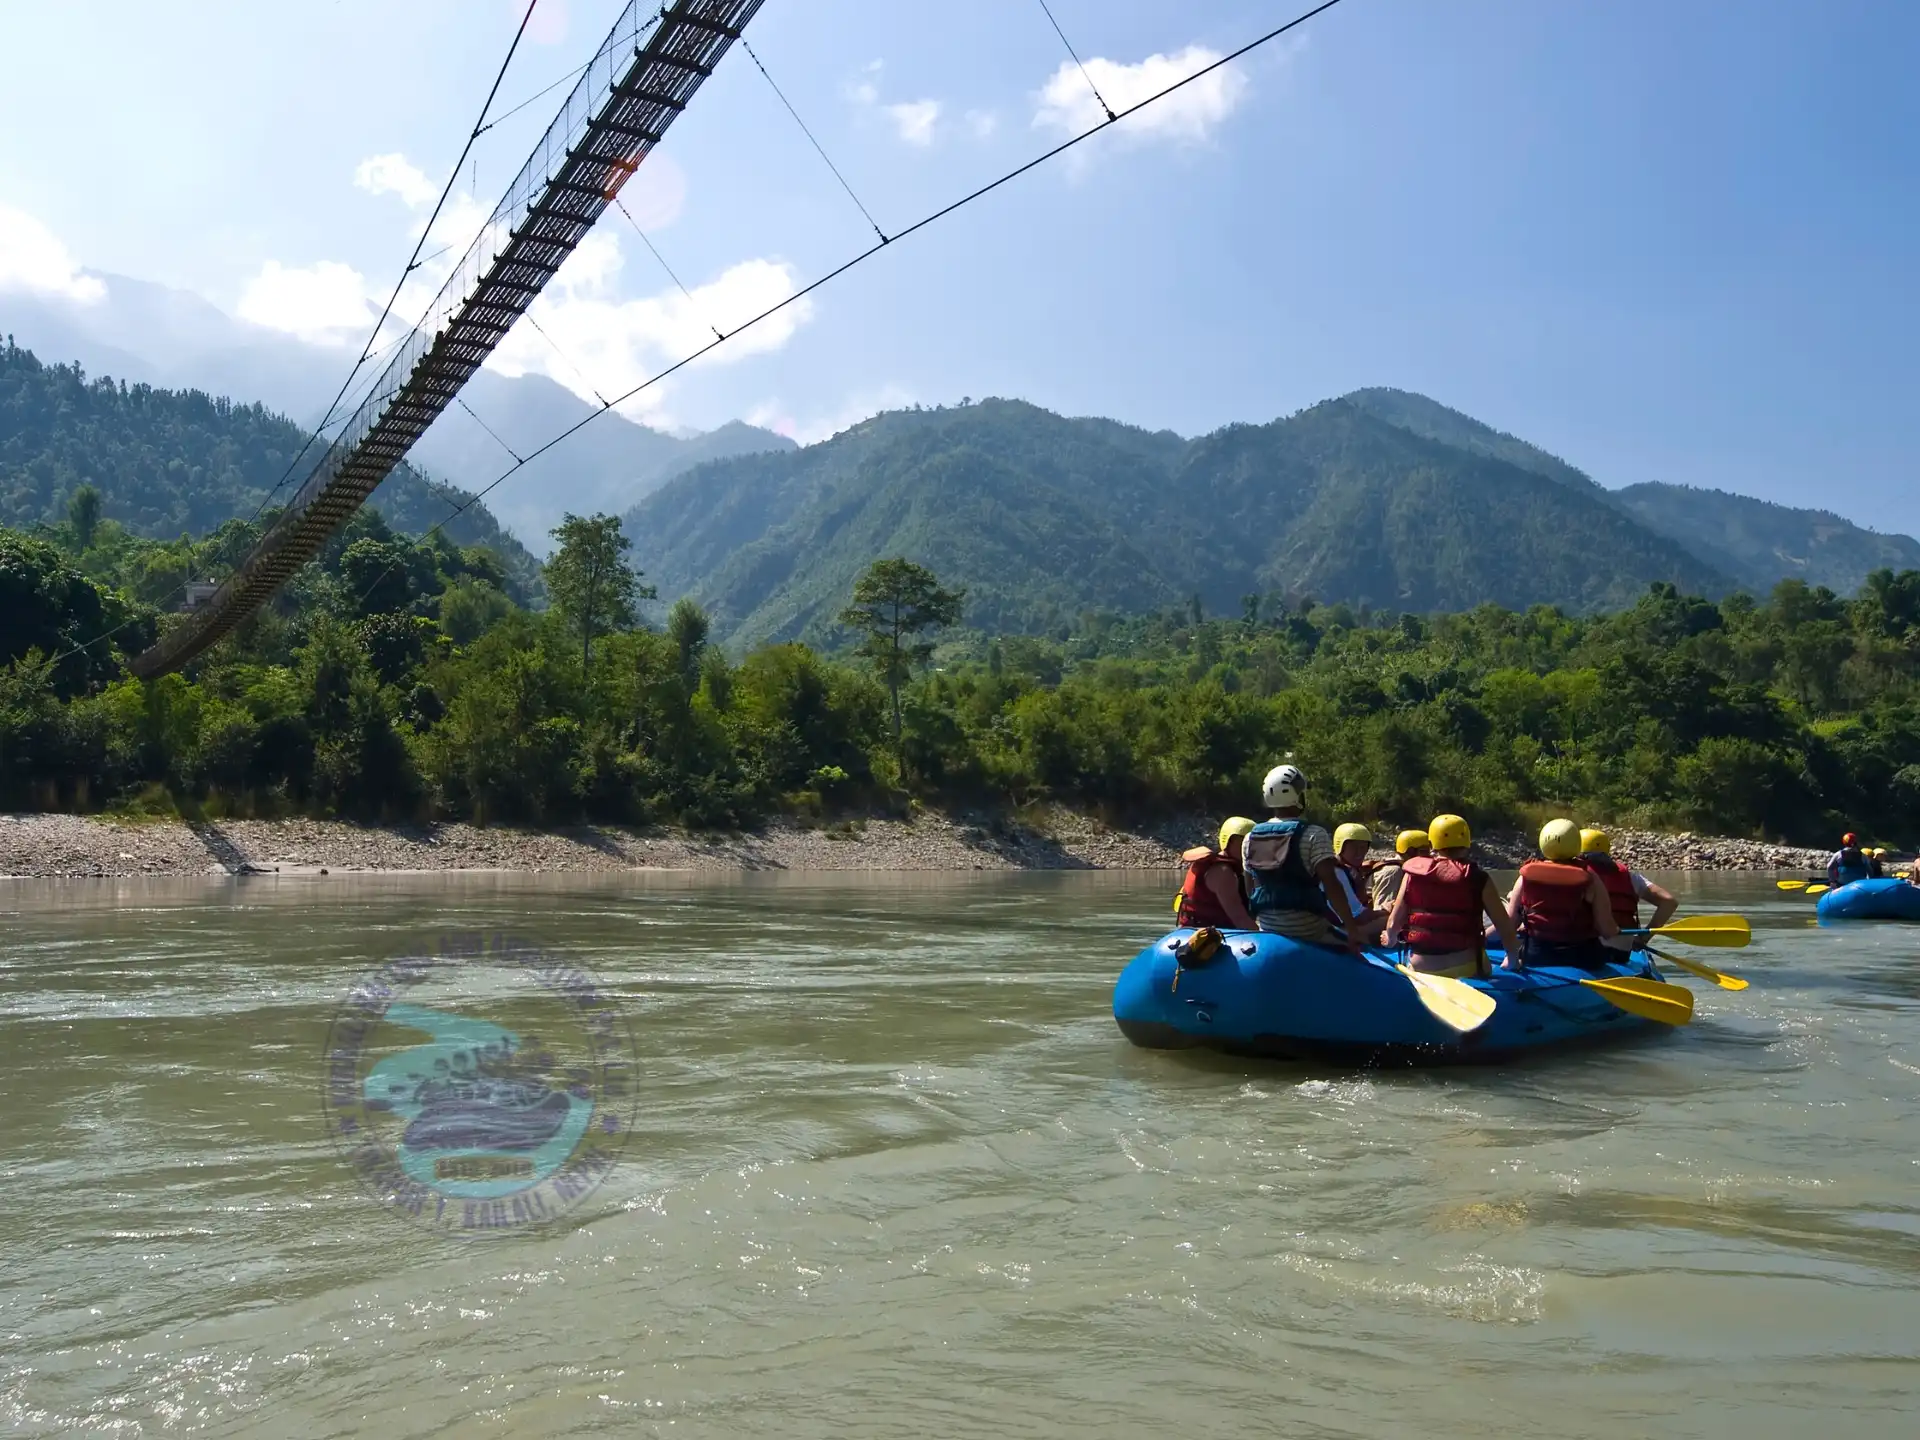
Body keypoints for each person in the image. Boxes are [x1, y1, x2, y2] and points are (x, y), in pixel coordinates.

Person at [1383, 813, 1520, 978]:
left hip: (1421, 969)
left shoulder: (1412, 875)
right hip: (1466, 968)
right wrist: (1512, 959)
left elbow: (1393, 923)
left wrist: (1389, 939)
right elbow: (1504, 925)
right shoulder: (1478, 877)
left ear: (1432, 844)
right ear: (1467, 843)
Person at [1241, 764, 1362, 949]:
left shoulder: (1250, 838)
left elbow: (1250, 889)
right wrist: (1352, 928)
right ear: (1298, 797)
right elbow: (1332, 886)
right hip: (1309, 929)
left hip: (1267, 927)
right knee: (1355, 951)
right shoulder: (1314, 834)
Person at [1504, 818, 1620, 969]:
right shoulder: (1590, 878)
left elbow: (1509, 923)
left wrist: (1510, 954)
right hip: (1584, 958)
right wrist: (1615, 930)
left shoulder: (1525, 877)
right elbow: (1606, 930)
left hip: (1536, 956)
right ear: (1575, 843)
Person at [1579, 827, 1677, 947]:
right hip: (1622, 950)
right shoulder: (1630, 877)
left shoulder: (1575, 875)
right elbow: (1669, 902)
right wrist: (1643, 938)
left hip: (1585, 947)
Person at [1175, 817, 1256, 930]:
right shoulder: (1223, 871)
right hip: (1206, 933)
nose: (1249, 848)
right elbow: (1240, 919)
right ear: (1228, 842)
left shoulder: (1215, 865)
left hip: (1191, 929)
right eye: (1243, 842)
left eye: (1253, 843)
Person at [1331, 822, 1387, 945]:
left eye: (1363, 848)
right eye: (1353, 848)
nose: (1359, 853)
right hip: (1337, 930)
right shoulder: (1336, 872)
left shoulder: (1346, 870)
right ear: (1340, 847)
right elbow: (1359, 917)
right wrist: (1386, 911)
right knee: (1390, 920)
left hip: (1337, 925)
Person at [1371, 829, 1431, 913]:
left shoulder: (1408, 869)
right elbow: (1383, 911)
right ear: (1410, 852)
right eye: (1424, 851)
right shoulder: (1393, 872)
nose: (1428, 856)